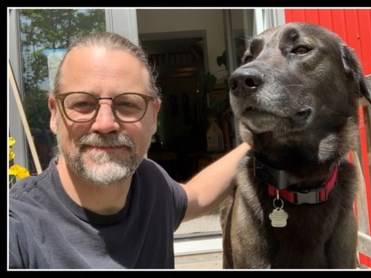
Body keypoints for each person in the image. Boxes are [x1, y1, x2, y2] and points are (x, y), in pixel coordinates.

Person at [9, 32, 250, 269]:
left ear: (154, 115)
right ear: (54, 113)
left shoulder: (150, 184)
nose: (105, 124)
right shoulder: (18, 230)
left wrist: (256, 140)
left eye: (127, 104)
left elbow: (195, 195)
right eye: (82, 103)